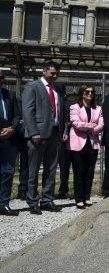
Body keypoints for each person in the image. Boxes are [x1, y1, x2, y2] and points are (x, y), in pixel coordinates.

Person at [22, 61, 68, 213]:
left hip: (55, 133)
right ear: (44, 71)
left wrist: (64, 131)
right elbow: (28, 111)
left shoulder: (58, 90)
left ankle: (47, 199)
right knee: (34, 170)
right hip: (38, 134)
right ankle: (32, 200)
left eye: (56, 74)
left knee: (51, 169)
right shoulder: (32, 86)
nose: (54, 76)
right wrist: (33, 132)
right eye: (52, 73)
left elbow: (63, 113)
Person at [68, 84, 104, 209]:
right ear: (82, 93)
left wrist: (92, 128)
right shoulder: (75, 107)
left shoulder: (98, 108)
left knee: (90, 172)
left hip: (92, 143)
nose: (90, 94)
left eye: (92, 92)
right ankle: (78, 198)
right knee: (79, 172)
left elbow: (101, 124)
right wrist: (90, 125)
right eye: (87, 92)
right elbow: (76, 124)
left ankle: (87, 197)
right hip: (77, 143)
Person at [0, 69, 21, 216]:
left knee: (7, 171)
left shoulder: (10, 94)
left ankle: (3, 204)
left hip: (8, 137)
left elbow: (17, 115)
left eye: (1, 77)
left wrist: (12, 129)